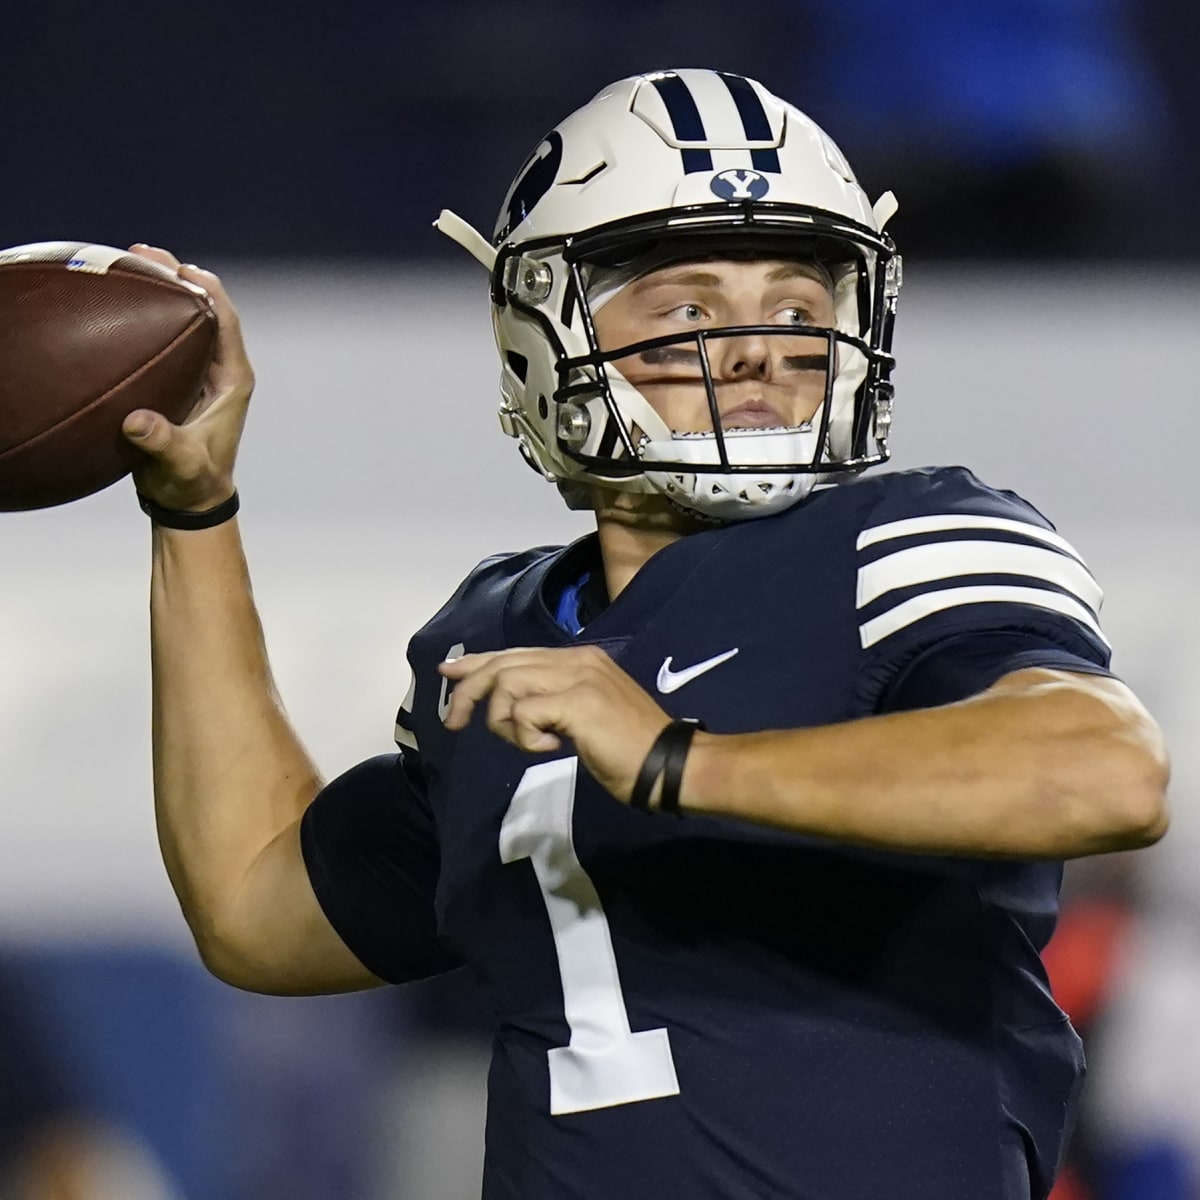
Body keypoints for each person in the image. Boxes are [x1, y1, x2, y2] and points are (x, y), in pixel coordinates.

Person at [119, 69, 1169, 1200]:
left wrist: (680, 760)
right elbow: (257, 911)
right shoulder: (498, 635)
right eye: (689, 310)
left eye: (798, 307)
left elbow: (1103, 768)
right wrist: (192, 514)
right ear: (546, 331)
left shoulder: (905, 535)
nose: (761, 347)